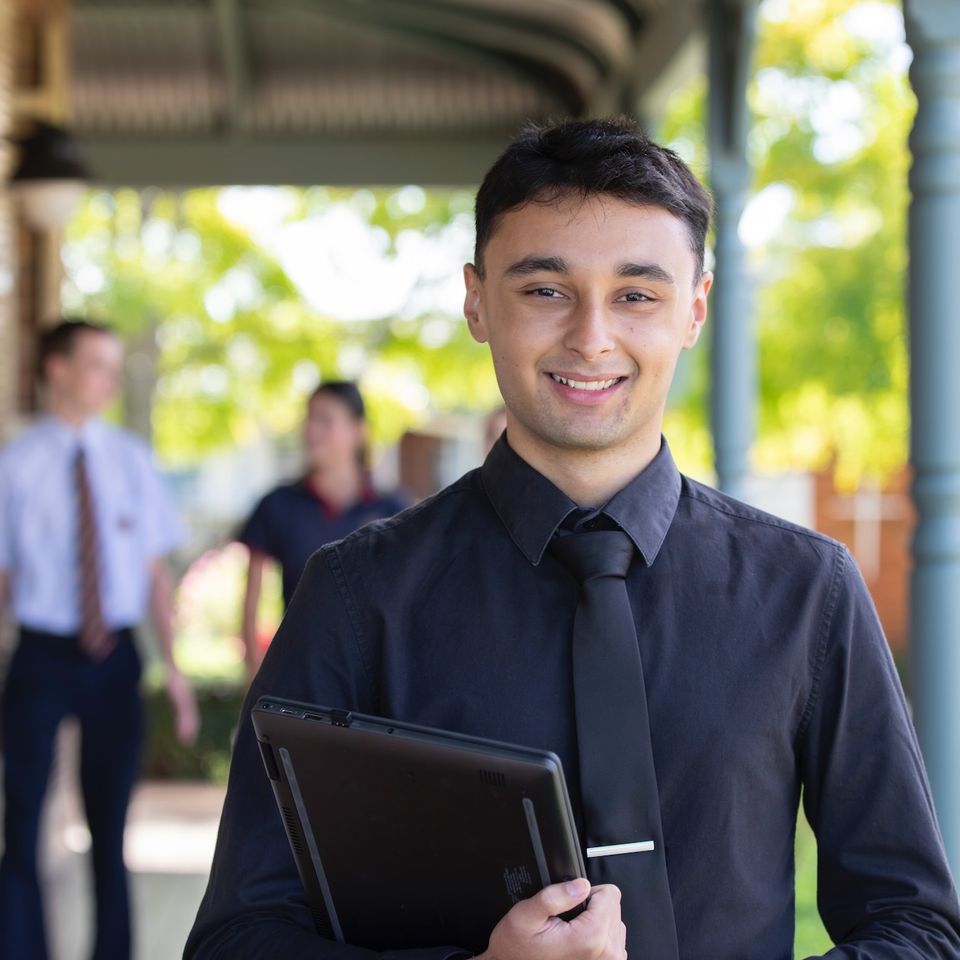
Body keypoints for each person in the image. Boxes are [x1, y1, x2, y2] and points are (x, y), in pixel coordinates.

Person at [186, 118, 960, 959]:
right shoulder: (354, 595)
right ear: (478, 300)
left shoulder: (809, 592)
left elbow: (914, 924)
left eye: (637, 294)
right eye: (545, 290)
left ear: (694, 310)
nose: (592, 337)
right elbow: (237, 936)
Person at [0, 319, 199, 960]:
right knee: (22, 824)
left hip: (115, 655)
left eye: (114, 368)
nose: (110, 380)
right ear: (57, 369)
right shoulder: (14, 465)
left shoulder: (131, 462)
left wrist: (173, 670)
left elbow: (152, 578)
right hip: (41, 654)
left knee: (109, 829)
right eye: (97, 366)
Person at [237, 381, 407, 679]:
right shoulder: (278, 505)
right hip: (300, 677)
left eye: (325, 420)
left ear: (358, 430)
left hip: (374, 683)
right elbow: (250, 607)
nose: (311, 430)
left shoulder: (394, 511)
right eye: (309, 419)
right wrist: (254, 683)